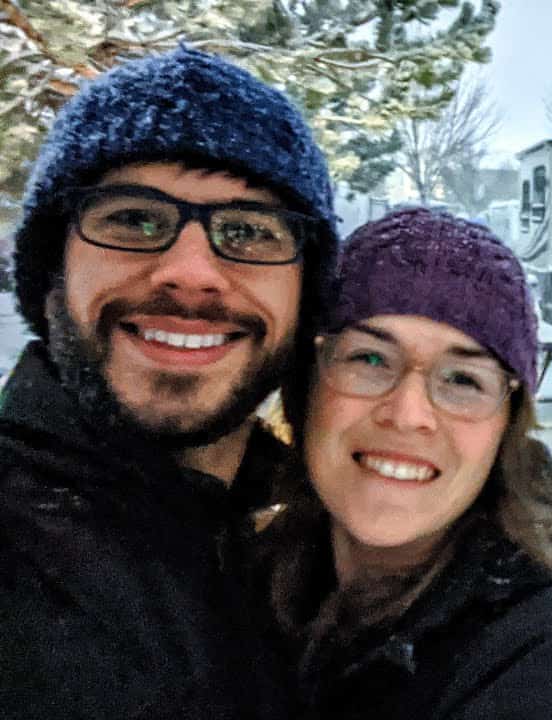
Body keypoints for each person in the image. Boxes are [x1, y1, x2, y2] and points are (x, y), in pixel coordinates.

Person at [0, 47, 339, 717]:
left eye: (246, 231)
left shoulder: (319, 540)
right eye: (132, 219)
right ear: (49, 278)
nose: (191, 271)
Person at [258, 208, 552, 719]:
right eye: (369, 359)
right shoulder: (239, 570)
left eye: (463, 380)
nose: (407, 414)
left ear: (507, 427)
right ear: (306, 387)